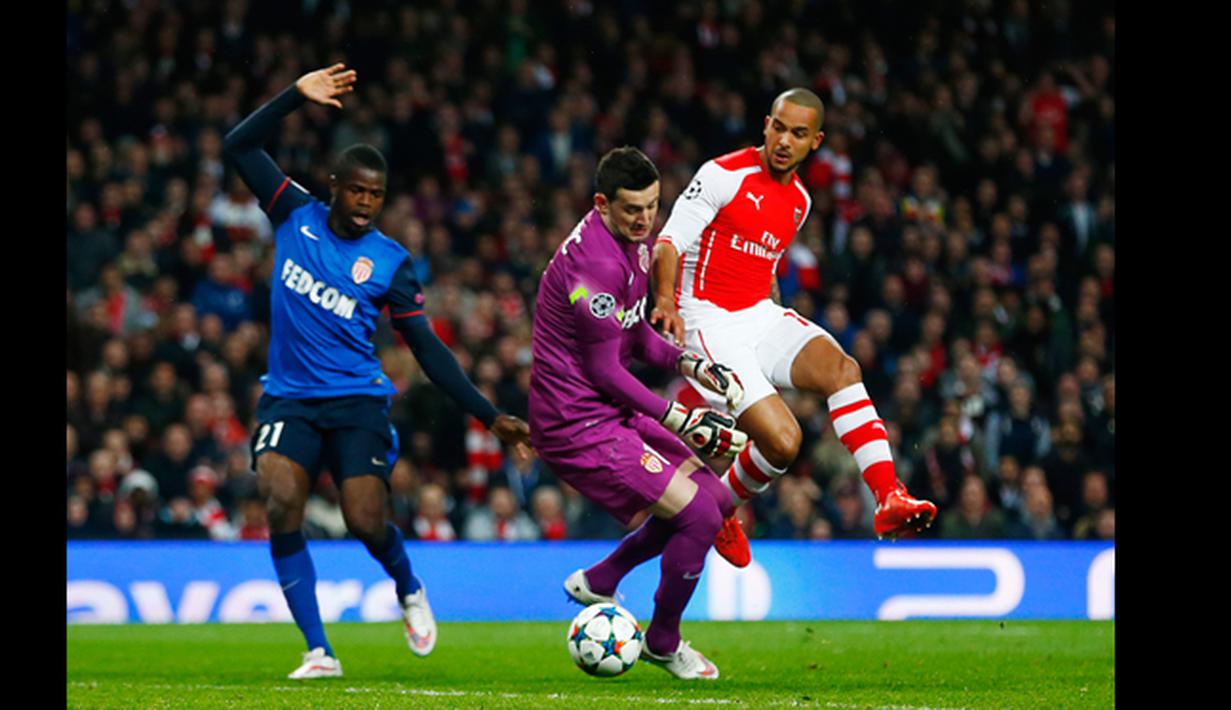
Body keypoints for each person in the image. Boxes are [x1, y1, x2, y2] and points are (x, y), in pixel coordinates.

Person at [222, 64, 530, 679]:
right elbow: (238, 146)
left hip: (358, 401)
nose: (365, 203)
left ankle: (408, 586)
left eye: (376, 195)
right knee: (280, 498)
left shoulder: (391, 262)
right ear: (335, 186)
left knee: (365, 518)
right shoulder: (291, 212)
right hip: (288, 398)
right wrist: (293, 98)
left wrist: (488, 413)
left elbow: (428, 348)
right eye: (357, 190)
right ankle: (318, 650)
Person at [650, 88, 937, 565]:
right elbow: (668, 243)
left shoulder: (799, 201)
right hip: (705, 320)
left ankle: (888, 496)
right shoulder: (723, 174)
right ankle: (719, 510)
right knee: (783, 444)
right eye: (778, 128)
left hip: (757, 312)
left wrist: (780, 320)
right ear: (766, 125)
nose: (784, 140)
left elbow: (765, 268)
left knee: (842, 369)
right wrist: (666, 303)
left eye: (798, 133)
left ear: (815, 142)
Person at [530, 146, 747, 680]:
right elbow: (606, 370)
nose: (646, 219)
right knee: (696, 515)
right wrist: (680, 417)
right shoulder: (596, 265)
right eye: (632, 209)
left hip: (605, 410)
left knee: (716, 500)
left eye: (653, 206)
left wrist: (689, 363)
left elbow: (634, 335)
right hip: (575, 423)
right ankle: (663, 642)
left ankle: (603, 579)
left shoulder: (633, 243)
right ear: (601, 204)